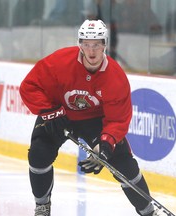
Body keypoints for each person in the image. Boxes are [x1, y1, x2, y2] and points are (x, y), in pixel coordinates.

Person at [19, 19, 163, 216]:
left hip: (96, 119)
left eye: (96, 44)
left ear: (105, 44)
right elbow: (30, 86)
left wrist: (105, 144)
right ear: (80, 44)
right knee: (38, 154)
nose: (92, 51)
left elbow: (118, 120)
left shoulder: (115, 77)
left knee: (124, 165)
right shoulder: (60, 61)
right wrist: (49, 111)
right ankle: (42, 206)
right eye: (86, 44)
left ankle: (148, 212)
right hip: (59, 114)